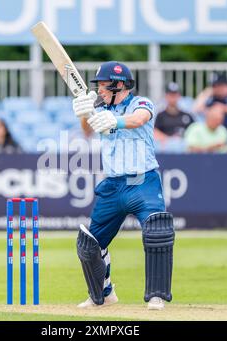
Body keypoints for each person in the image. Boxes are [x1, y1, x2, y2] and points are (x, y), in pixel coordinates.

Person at [72, 61, 175, 310]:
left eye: (104, 86)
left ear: (120, 85)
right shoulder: (102, 107)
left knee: (157, 232)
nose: (100, 90)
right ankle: (104, 294)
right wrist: (86, 113)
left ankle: (156, 295)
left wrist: (114, 120)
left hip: (143, 182)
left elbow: (138, 120)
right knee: (90, 243)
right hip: (114, 184)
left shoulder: (141, 103)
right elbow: (88, 131)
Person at [204, 72, 227, 138]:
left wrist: (223, 108)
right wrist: (207, 93)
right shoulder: (214, 98)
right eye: (214, 86)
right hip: (219, 132)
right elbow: (196, 109)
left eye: (218, 86)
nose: (216, 89)